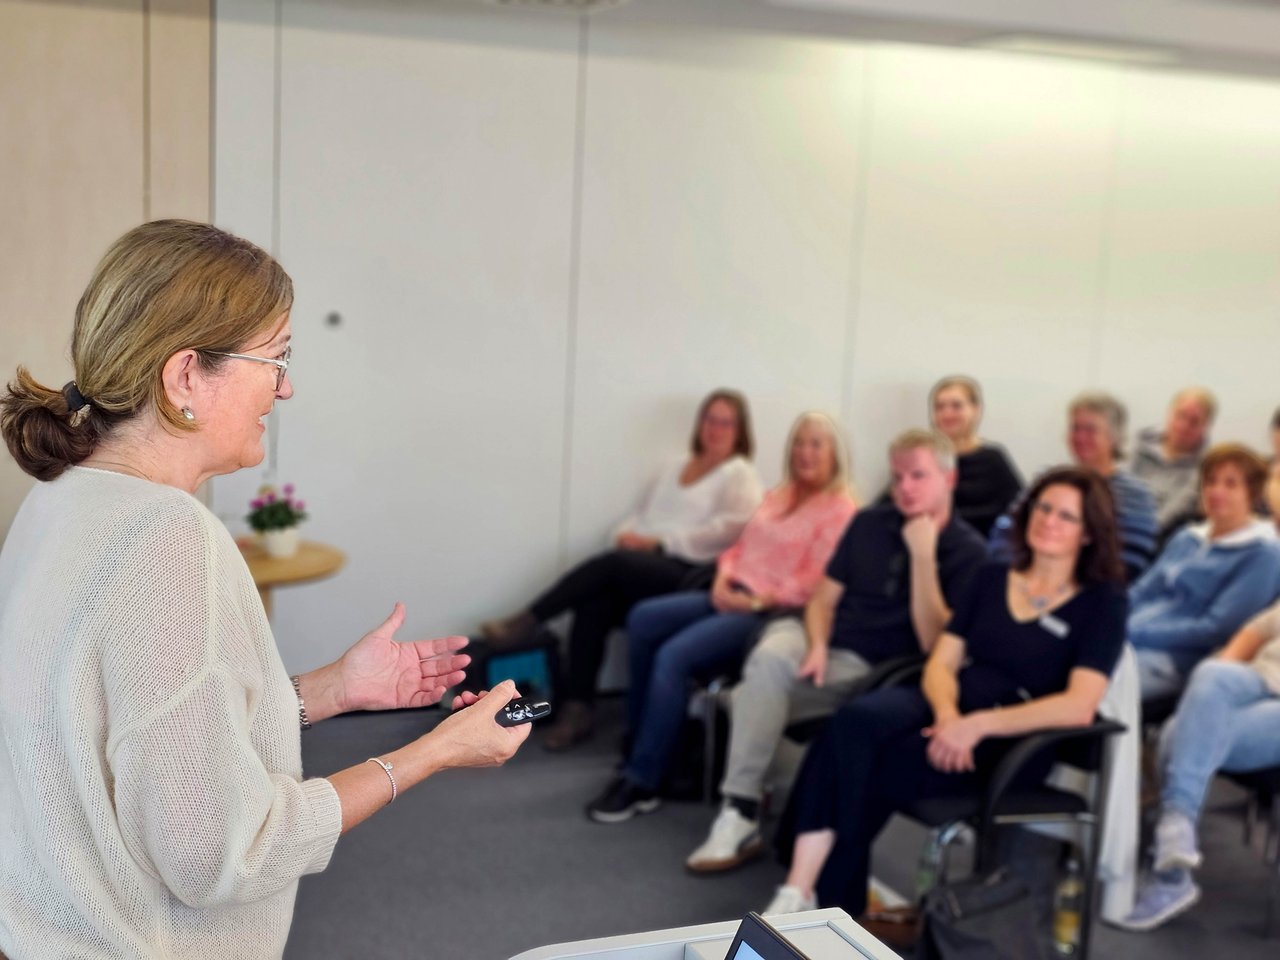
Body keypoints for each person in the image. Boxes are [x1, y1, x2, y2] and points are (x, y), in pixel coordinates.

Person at [0, 221, 529, 959]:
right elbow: (222, 853)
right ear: (185, 376)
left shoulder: (61, 502)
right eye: (274, 359)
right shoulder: (168, 538)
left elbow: (135, 739)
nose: (286, 387)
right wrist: (433, 752)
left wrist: (332, 690)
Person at [766, 466, 1127, 917]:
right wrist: (949, 716)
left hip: (1012, 738)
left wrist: (975, 727)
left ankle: (811, 894)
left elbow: (1078, 706)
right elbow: (941, 661)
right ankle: (807, 896)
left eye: (1067, 516)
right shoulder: (991, 577)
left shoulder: (1104, 603)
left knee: (867, 764)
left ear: (1090, 532)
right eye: (1044, 507)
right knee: (853, 722)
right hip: (949, 704)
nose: (1049, 520)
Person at [684, 429, 987, 873]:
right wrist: (819, 644)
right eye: (898, 476)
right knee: (769, 658)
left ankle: (741, 807)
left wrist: (923, 557)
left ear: (949, 478)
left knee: (756, 690)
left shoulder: (968, 552)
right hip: (817, 639)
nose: (905, 487)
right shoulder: (869, 523)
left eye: (918, 476)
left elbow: (933, 643)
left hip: (872, 666)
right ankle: (741, 808)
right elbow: (822, 600)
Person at [585, 412, 858, 823]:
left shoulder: (840, 510)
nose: (805, 452)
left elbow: (813, 584)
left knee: (674, 656)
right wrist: (722, 580)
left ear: (836, 454)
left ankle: (642, 780)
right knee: (642, 619)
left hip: (771, 614)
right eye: (799, 443)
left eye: (816, 444)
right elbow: (738, 549)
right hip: (730, 593)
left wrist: (754, 603)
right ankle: (643, 741)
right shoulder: (779, 494)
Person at [481, 389, 762, 751]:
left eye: (726, 422)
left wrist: (659, 543)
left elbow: (730, 531)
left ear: (740, 430)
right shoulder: (677, 465)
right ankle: (577, 709)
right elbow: (640, 515)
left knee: (613, 565)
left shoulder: (740, 474)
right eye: (710, 419)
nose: (716, 428)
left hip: (689, 572)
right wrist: (624, 536)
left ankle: (528, 620)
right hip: (645, 566)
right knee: (594, 601)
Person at [1117, 596, 1280, 930]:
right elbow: (1259, 628)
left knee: (1183, 734)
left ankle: (1171, 867)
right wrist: (1216, 681)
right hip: (1256, 682)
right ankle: (1174, 841)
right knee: (1210, 674)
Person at [1128, 443, 1280, 702]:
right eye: (1210, 482)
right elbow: (1142, 590)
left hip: (1175, 660)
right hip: (1131, 638)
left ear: (1253, 495)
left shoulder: (1263, 553)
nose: (1216, 491)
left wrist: (1133, 633)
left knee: (1090, 685)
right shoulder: (1187, 537)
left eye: (1230, 484)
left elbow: (1215, 629)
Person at [991, 391, 1158, 583]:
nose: (1080, 437)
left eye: (1090, 430)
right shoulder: (1048, 480)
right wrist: (1021, 573)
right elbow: (1005, 530)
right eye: (1075, 428)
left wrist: (1060, 581)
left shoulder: (1135, 495)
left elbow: (1129, 562)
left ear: (1114, 437)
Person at [928, 375, 1023, 537]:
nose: (946, 414)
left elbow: (1019, 510)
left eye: (956, 406)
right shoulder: (925, 459)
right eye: (939, 407)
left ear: (976, 410)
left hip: (984, 552)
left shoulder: (993, 459)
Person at [1130, 387, 1216, 543]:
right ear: (1169, 413)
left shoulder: (1206, 466)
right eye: (1180, 416)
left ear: (1206, 427)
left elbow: (1177, 510)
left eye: (1194, 421)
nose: (1184, 426)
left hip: (1160, 539)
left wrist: (1139, 531)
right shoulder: (1137, 445)